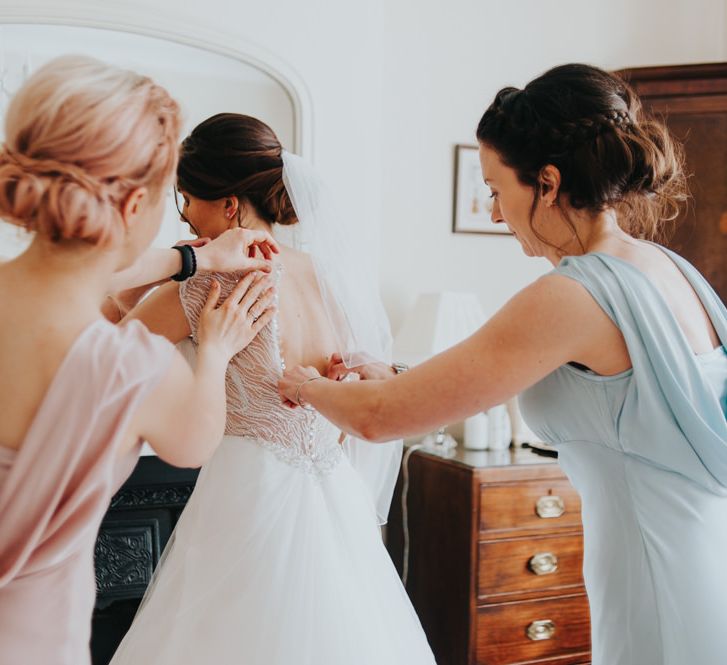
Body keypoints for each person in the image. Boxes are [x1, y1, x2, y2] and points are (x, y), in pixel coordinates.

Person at [280, 64, 727, 665]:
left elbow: (379, 420)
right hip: (697, 565)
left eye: (495, 189)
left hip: (658, 585)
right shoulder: (670, 270)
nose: (493, 212)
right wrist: (394, 376)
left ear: (547, 182)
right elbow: (502, 378)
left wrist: (305, 385)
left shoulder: (576, 294)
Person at [109, 113, 435, 665]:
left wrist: (180, 267)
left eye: (187, 199)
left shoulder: (208, 282)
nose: (184, 214)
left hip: (248, 490)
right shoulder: (325, 275)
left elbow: (110, 353)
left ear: (230, 206)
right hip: (331, 491)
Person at [0, 56, 277, 665]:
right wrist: (217, 351)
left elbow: (86, 270)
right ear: (132, 209)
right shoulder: (133, 368)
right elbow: (196, 443)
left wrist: (192, 262)